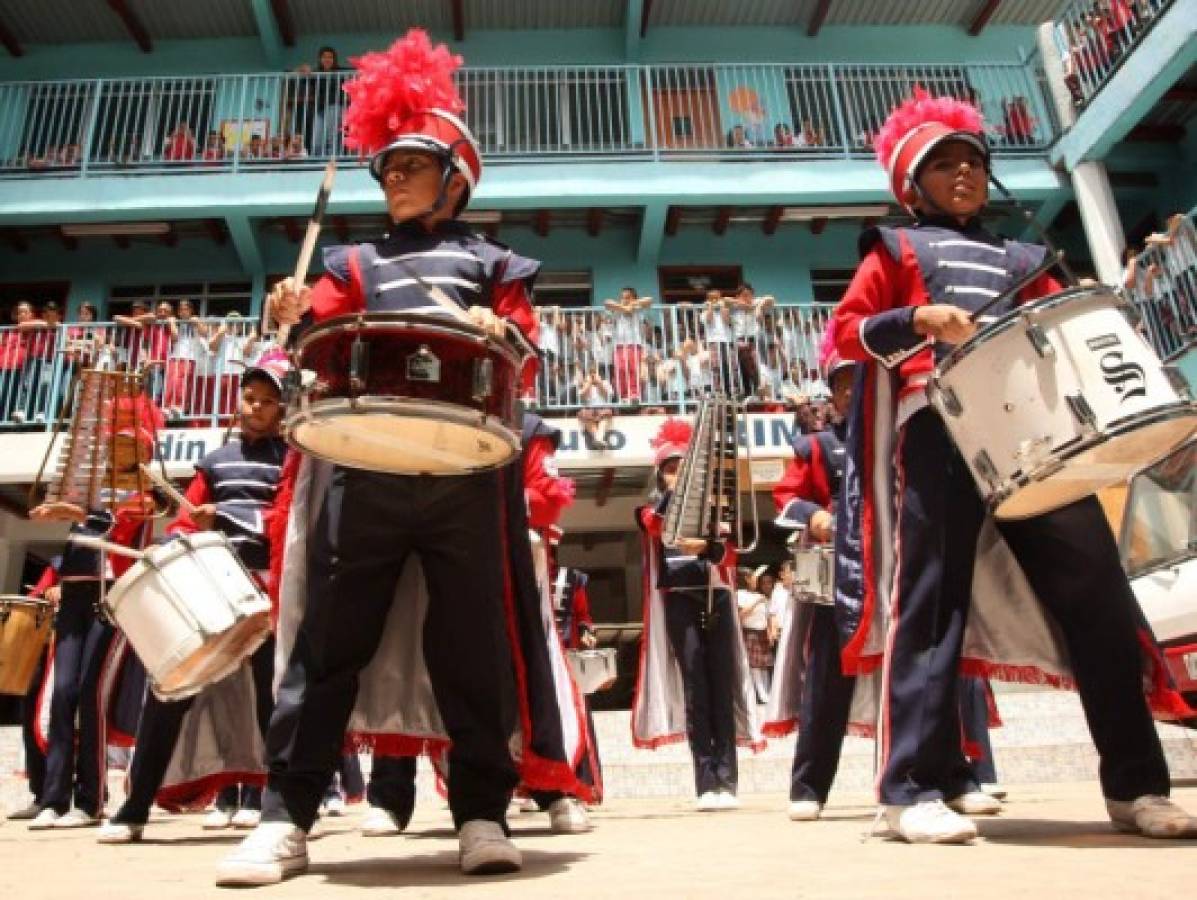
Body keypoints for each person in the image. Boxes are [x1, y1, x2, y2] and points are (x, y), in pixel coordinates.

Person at [216, 30, 584, 887]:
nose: (393, 179)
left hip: (465, 474)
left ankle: (482, 815)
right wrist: (295, 314)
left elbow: (525, 348)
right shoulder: (350, 260)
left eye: (410, 166)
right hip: (364, 467)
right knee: (325, 652)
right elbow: (315, 342)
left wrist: (505, 330)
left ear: (454, 177)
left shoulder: (493, 263)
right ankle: (286, 819)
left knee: (474, 650)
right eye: (385, 170)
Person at [831, 87, 1197, 844]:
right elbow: (845, 337)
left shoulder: (1027, 257)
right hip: (937, 429)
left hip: (1042, 438)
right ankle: (908, 790)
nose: (963, 173)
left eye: (972, 160)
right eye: (943, 164)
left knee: (1096, 598)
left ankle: (1136, 787)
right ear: (911, 182)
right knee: (930, 604)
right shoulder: (894, 250)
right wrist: (913, 319)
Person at [96, 356, 289, 844]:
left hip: (266, 590)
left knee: (273, 701)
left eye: (267, 401)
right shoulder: (215, 462)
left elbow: (290, 521)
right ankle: (135, 808)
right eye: (250, 398)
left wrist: (223, 514)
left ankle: (278, 810)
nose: (256, 407)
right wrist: (181, 535)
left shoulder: (292, 458)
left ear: (281, 409)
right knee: (171, 691)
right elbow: (184, 526)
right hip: (213, 586)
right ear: (238, 401)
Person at [632, 418, 762, 812]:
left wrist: (707, 547)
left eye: (682, 468)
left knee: (721, 687)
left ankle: (728, 780)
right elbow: (657, 528)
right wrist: (683, 491)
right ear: (661, 474)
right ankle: (706, 779)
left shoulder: (715, 510)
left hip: (716, 597)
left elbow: (730, 553)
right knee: (696, 690)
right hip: (680, 599)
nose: (677, 475)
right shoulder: (648, 509)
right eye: (671, 469)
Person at [5, 558, 59, 820]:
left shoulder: (101, 563)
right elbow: (37, 598)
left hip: (74, 650)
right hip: (43, 648)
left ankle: (81, 796)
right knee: (32, 718)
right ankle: (41, 794)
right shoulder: (59, 564)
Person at [604, 288, 652, 404]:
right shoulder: (616, 310)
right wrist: (624, 308)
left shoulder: (638, 309)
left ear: (633, 298)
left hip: (634, 344)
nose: (624, 300)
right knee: (620, 370)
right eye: (622, 297)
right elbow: (607, 302)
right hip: (620, 345)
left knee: (634, 370)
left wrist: (633, 305)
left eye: (627, 297)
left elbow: (649, 300)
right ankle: (623, 396)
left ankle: (634, 395)